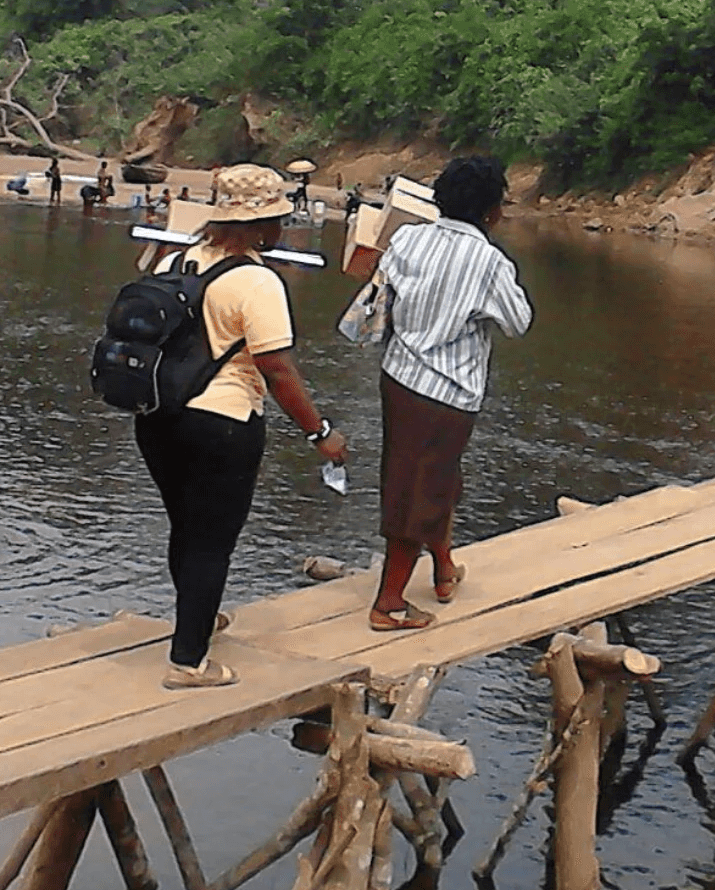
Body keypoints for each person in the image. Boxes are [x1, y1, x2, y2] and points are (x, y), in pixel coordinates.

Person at [134, 164, 350, 688]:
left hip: (159, 419)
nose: (282, 227)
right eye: (278, 218)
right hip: (222, 424)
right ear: (262, 227)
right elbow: (276, 367)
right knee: (212, 541)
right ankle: (188, 662)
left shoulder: (174, 261)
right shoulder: (257, 280)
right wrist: (320, 434)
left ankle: (197, 620)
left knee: (187, 528)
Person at [368, 156, 532, 631]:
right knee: (420, 490)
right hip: (447, 390)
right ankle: (389, 605)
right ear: (490, 211)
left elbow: (384, 291)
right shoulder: (488, 261)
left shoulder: (407, 238)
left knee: (427, 478)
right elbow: (518, 323)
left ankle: (442, 569)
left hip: (398, 377)